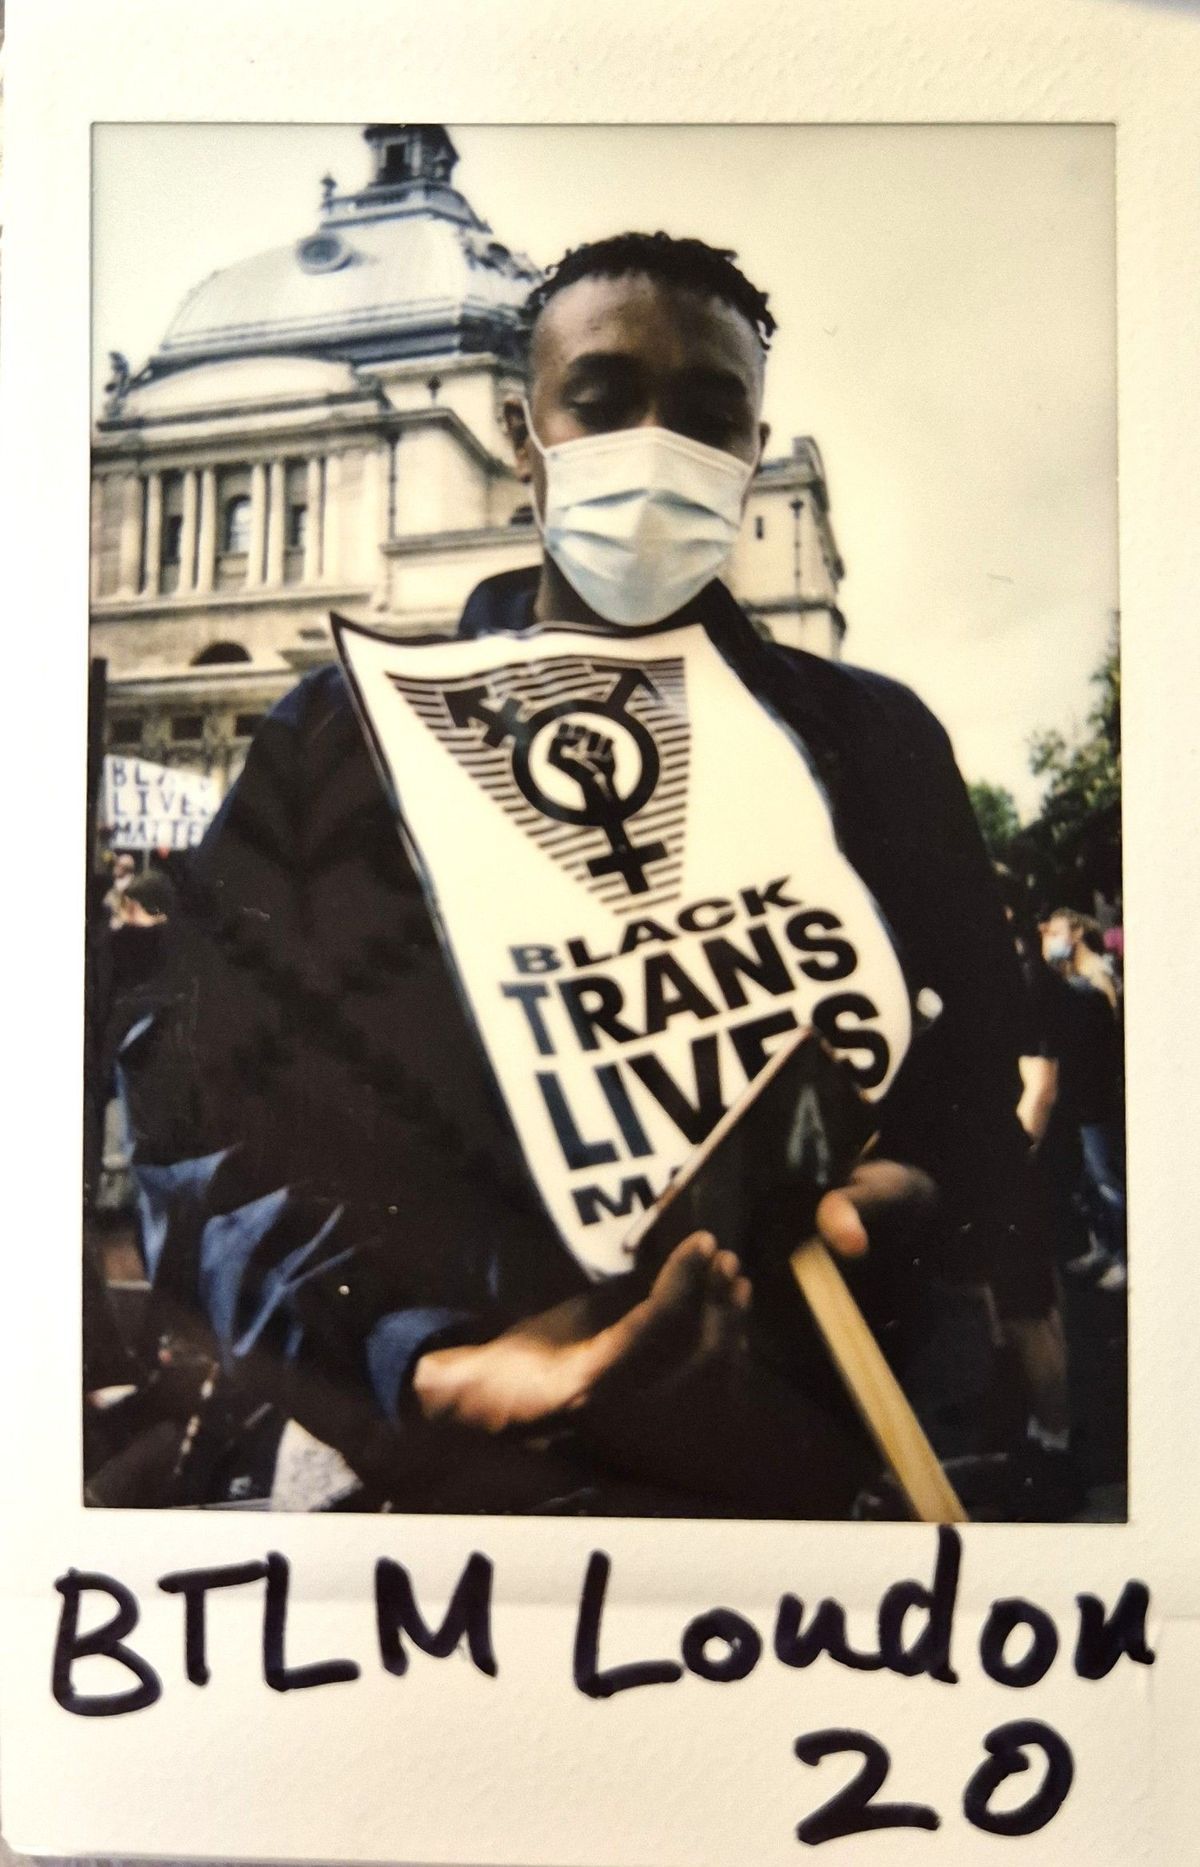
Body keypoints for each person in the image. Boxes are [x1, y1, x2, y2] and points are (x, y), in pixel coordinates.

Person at [118, 231, 1053, 1516]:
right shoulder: (344, 740)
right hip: (442, 1488)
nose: (657, 447)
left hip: (813, 1462)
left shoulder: (878, 743)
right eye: (605, 402)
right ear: (523, 431)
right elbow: (194, 1111)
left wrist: (907, 1192)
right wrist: (429, 1359)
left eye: (710, 416)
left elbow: (971, 1081)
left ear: (751, 452)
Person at [1040, 907, 1126, 1292]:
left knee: (1107, 1180)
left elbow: (1105, 1042)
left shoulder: (1098, 976)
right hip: (1082, 1098)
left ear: (1075, 933)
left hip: (1098, 1099)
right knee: (1090, 1182)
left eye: (1056, 931)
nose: (1050, 938)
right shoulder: (1073, 976)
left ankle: (1125, 1257)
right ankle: (1102, 1247)